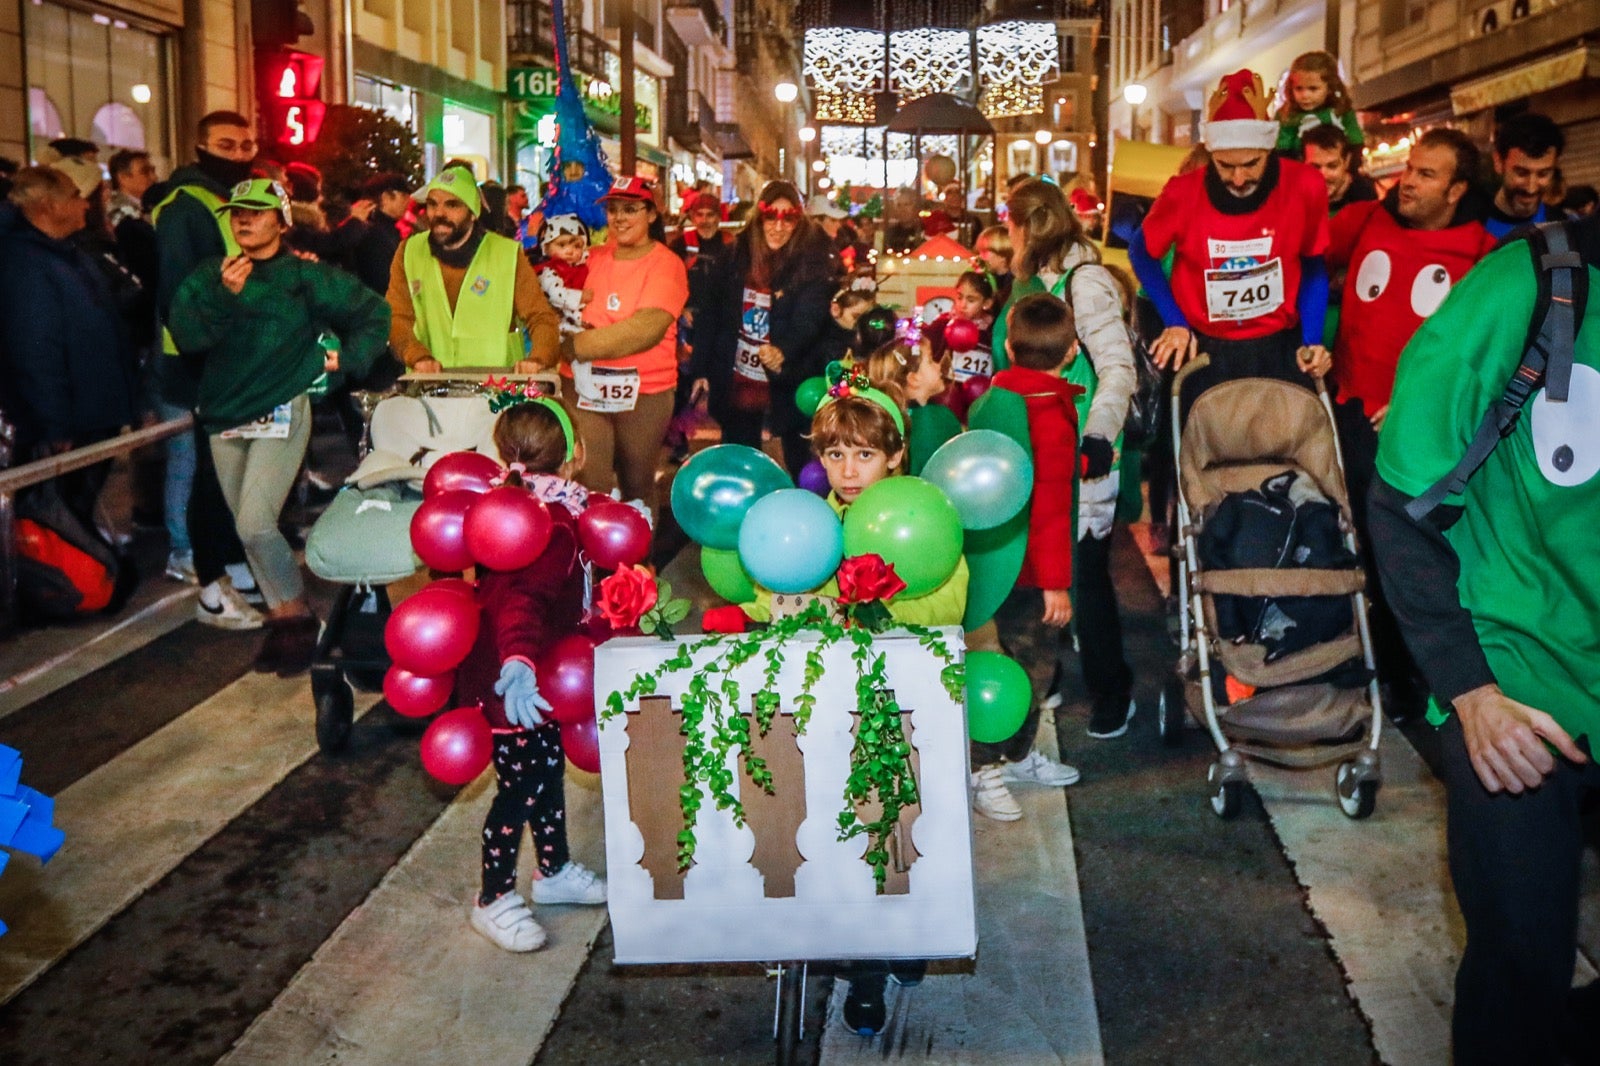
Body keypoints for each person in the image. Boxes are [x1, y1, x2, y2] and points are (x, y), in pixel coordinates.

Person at [1368, 212, 1600, 1065]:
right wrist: (1470, 690)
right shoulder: (1524, 287)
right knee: (1522, 963)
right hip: (1520, 678)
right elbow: (1400, 507)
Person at [168, 180, 390, 673]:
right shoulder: (210, 275)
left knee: (254, 521)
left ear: (282, 221)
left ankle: (294, 615)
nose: (244, 220)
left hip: (282, 409)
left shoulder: (303, 277)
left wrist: (345, 359)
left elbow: (374, 312)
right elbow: (188, 336)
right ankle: (285, 615)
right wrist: (225, 295)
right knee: (247, 529)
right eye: (237, 213)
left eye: (257, 212)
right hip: (223, 414)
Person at [1326, 127, 1496, 720]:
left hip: (1422, 432)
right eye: (1410, 169)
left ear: (1457, 189)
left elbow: (1481, 350)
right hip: (1349, 413)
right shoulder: (1365, 221)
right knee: (1356, 549)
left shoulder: (1482, 252)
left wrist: (1418, 404)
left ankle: (1425, 677)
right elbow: (1304, 261)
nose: (1408, 182)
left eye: (1426, 174)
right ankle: (1372, 665)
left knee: (1416, 556)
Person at [457, 393, 608, 952]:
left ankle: (554, 869)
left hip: (528, 673)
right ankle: (492, 898)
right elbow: (523, 598)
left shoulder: (508, 503)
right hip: (513, 680)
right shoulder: (557, 525)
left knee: (544, 775)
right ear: (576, 455)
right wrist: (519, 661)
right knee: (517, 790)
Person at [997, 177, 1140, 742]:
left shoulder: (1087, 282)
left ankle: (1112, 689)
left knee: (1085, 578)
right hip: (1036, 447)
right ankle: (1047, 671)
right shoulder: (1040, 279)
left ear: (1024, 227)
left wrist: (1098, 436)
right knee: (1042, 572)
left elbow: (1117, 368)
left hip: (1081, 452)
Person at [1130, 69, 1332, 398]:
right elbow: (1141, 252)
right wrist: (1174, 321)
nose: (1238, 179)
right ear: (1211, 155)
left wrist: (1312, 340)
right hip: (1205, 350)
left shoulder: (1305, 185)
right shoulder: (1182, 192)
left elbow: (1313, 267)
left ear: (1269, 150)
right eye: (1225, 166)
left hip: (1279, 346)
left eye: (1251, 164)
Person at [966, 293, 1083, 821]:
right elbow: (1052, 504)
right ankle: (987, 767)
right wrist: (1055, 583)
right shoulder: (1050, 413)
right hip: (1033, 572)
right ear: (1073, 351)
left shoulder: (994, 400)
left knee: (1007, 661)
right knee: (1028, 671)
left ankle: (1013, 754)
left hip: (995, 559)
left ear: (1009, 347)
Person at [153, 109, 266, 622]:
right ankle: (212, 584)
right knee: (212, 473)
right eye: (228, 144)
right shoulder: (185, 207)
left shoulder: (231, 202)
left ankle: (236, 567)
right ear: (201, 147)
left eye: (246, 145)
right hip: (208, 363)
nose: (240, 153)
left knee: (236, 473)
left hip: (240, 359)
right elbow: (180, 293)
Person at [0, 167, 139, 535]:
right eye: (75, 195)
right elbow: (36, 351)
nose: (84, 203)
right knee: (60, 518)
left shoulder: (66, 252)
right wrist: (54, 425)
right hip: (71, 422)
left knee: (77, 511)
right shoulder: (27, 263)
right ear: (48, 205)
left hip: (91, 411)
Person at [550, 175, 688, 505]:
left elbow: (644, 330)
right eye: (613, 210)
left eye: (630, 209)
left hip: (644, 392)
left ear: (651, 214)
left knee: (637, 484)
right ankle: (594, 555)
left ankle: (640, 556)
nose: (619, 218)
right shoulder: (590, 256)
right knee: (588, 480)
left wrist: (573, 346)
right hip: (582, 386)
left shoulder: (666, 264)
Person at [692, 180, 836, 478]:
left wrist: (784, 351)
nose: (778, 227)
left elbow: (811, 316)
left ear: (799, 221)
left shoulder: (811, 261)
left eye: (789, 217)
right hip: (739, 377)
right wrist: (701, 368)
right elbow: (711, 315)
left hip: (791, 377)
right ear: (760, 218)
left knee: (803, 462)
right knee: (740, 463)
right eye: (771, 216)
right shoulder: (733, 257)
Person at [388, 166, 560, 374]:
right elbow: (397, 317)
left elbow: (541, 317)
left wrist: (538, 358)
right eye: (432, 204)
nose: (439, 213)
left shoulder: (507, 254)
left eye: (452, 205)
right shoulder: (409, 252)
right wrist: (416, 356)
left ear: (472, 213)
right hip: (430, 390)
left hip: (497, 391)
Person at [864, 336, 958, 476]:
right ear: (914, 379)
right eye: (931, 361)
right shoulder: (938, 418)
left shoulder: (888, 420)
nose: (938, 366)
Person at [1484, 112, 1564, 241]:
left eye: (1543, 174)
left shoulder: (1560, 225)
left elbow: (1564, 262)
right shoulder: (1474, 227)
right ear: (1498, 162)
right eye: (1521, 173)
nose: (1531, 188)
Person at [1273, 50, 1363, 155]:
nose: (1305, 95)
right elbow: (1282, 151)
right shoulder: (1286, 115)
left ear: (1330, 88)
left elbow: (1356, 142)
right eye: (1298, 89)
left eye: (1313, 89)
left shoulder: (1341, 110)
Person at [349, 172, 412, 296]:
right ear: (385, 198)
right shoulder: (375, 234)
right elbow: (383, 280)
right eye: (403, 196)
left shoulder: (383, 229)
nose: (408, 201)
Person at [1301, 124, 1376, 215]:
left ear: (1346, 162)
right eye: (1314, 167)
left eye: (1332, 166)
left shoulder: (1366, 200)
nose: (1323, 175)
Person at [535, 215, 589, 338]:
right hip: (560, 324)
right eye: (562, 245)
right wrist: (580, 297)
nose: (570, 251)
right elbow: (555, 294)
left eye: (577, 246)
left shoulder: (581, 267)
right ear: (547, 248)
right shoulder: (548, 272)